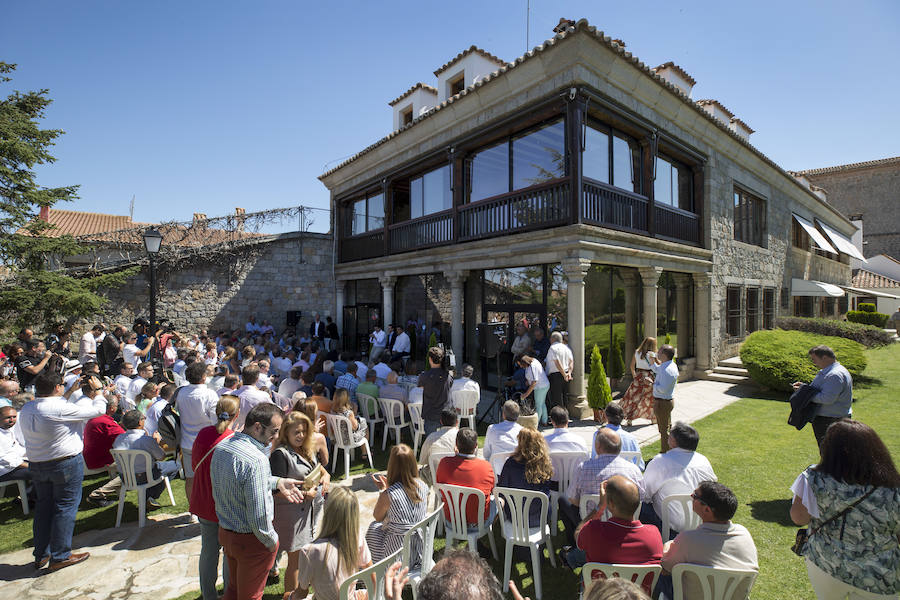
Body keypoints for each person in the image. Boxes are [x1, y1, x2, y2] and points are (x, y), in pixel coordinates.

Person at [789, 419, 900, 599]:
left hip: (825, 563)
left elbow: (798, 518)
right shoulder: (893, 488)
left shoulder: (812, 477)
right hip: (878, 574)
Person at [211, 403, 305, 600]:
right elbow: (259, 514)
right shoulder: (256, 460)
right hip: (251, 540)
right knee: (251, 596)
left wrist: (278, 482)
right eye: (274, 431)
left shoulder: (222, 447)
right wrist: (271, 541)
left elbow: (239, 481)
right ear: (257, 427)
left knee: (233, 590)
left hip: (226, 532)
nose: (276, 437)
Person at [20, 371, 105, 571]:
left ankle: (42, 554)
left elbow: (56, 405)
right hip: (63, 463)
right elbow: (98, 410)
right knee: (65, 507)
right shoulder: (59, 408)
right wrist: (99, 391)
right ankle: (60, 555)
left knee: (44, 508)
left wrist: (69, 392)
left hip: (37, 463)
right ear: (58, 387)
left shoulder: (28, 407)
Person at [655, 481, 758, 600]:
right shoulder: (744, 534)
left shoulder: (688, 540)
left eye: (695, 496)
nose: (691, 496)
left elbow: (664, 569)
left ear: (707, 510)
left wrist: (667, 546)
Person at [271, 412, 331, 598]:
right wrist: (305, 494)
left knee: (303, 559)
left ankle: (298, 593)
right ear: (286, 433)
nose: (301, 435)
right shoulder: (280, 455)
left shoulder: (305, 448)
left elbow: (318, 468)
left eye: (304, 431)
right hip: (291, 518)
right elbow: (275, 490)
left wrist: (326, 476)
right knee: (295, 561)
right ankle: (291, 596)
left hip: (307, 515)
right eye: (296, 432)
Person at [560, 428, 645, 546]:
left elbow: (573, 499)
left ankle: (574, 543)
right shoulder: (633, 470)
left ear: (598, 446)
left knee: (563, 499)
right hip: (624, 523)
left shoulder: (583, 468)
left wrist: (592, 505)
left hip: (591, 523)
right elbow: (641, 499)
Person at [564, 475, 663, 577]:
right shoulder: (654, 534)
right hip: (637, 587)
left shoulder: (593, 530)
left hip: (599, 587)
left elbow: (578, 535)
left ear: (611, 504)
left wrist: (600, 506)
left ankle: (568, 558)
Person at [190, 395, 238, 600]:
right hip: (227, 504)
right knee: (229, 552)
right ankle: (229, 592)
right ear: (236, 415)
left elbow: (194, 465)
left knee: (208, 551)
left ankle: (208, 595)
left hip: (204, 501)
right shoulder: (235, 439)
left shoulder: (203, 434)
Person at [294, 486, 373, 600]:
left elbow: (301, 593)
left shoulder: (309, 551)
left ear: (329, 511)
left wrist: (289, 596)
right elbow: (372, 575)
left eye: (326, 497)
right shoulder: (357, 537)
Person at [640, 422, 716, 539]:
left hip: (668, 527)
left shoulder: (660, 462)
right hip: (700, 524)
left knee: (636, 503)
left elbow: (644, 494)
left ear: (674, 442)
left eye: (670, 435)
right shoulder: (704, 461)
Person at [366, 444, 429, 562]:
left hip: (397, 555)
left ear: (392, 466)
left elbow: (378, 517)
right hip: (420, 549)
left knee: (373, 528)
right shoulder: (424, 486)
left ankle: (374, 568)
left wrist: (383, 490)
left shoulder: (389, 495)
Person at [791, 345, 853, 447]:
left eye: (814, 359)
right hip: (831, 418)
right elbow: (820, 390)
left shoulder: (834, 375)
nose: (813, 362)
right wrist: (803, 388)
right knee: (832, 450)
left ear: (824, 357)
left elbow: (827, 398)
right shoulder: (830, 371)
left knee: (831, 451)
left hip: (831, 420)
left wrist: (805, 393)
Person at [177, 361, 221, 502]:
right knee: (211, 478)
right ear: (203, 376)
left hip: (187, 442)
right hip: (206, 444)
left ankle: (193, 509)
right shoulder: (209, 394)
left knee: (190, 478)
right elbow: (215, 421)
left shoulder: (181, 392)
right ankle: (210, 507)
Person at [435, 428, 495, 525]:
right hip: (479, 523)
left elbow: (440, 487)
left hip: (452, 520)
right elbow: (491, 490)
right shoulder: (486, 467)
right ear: (476, 446)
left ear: (456, 444)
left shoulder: (444, 463)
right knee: (498, 501)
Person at [112, 410, 169, 509]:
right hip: (147, 477)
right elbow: (162, 457)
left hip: (125, 478)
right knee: (175, 466)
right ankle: (149, 496)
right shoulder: (146, 440)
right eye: (143, 418)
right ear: (139, 422)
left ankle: (148, 497)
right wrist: (157, 442)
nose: (145, 420)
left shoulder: (118, 439)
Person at [497, 428, 553, 526]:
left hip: (515, 516)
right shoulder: (544, 464)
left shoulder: (510, 463)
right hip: (540, 517)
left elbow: (502, 489)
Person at [83, 390, 125, 506]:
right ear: (112, 408)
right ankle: (98, 494)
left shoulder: (96, 418)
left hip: (92, 457)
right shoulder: (105, 421)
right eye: (117, 406)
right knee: (136, 465)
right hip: (101, 460)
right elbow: (125, 437)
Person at [620, 337, 658, 427]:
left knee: (634, 398)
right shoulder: (652, 354)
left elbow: (632, 366)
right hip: (649, 377)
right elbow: (657, 366)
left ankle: (629, 419)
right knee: (649, 398)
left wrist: (635, 376)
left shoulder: (637, 352)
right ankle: (653, 418)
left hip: (639, 376)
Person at [594, 403, 644, 469]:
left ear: (606, 416)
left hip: (604, 473)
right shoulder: (631, 438)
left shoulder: (598, 435)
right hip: (627, 473)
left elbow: (594, 459)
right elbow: (641, 465)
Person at [649, 344, 678, 454]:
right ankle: (670, 450)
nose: (657, 353)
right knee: (666, 427)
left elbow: (663, 389)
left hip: (662, 403)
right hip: (664, 401)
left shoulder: (668, 370)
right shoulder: (667, 365)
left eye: (659, 352)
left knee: (663, 430)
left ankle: (665, 452)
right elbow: (658, 369)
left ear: (664, 355)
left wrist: (652, 384)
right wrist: (652, 361)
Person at [419, 409, 459, 484]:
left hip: (436, 478)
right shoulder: (462, 437)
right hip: (457, 477)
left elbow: (422, 461)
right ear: (457, 422)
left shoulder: (431, 437)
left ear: (441, 421)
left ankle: (425, 491)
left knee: (420, 472)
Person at [418, 346, 451, 435]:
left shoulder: (424, 376)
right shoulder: (448, 375)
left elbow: (421, 387)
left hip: (431, 414)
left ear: (430, 359)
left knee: (431, 440)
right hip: (444, 414)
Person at [0, 406, 32, 496]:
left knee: (45, 466)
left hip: (12, 466)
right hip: (4, 471)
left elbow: (17, 449)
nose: (12, 420)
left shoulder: (8, 430)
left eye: (14, 417)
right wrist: (28, 465)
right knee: (41, 473)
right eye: (8, 417)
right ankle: (31, 498)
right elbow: (4, 460)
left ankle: (30, 495)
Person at [235, 364, 274, 431]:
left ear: (242, 377)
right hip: (252, 434)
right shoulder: (263, 396)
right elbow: (273, 413)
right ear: (257, 379)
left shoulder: (230, 394)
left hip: (233, 433)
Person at [517, 354, 551, 427]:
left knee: (538, 405)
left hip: (540, 387)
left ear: (524, 362)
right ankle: (544, 421)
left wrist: (526, 394)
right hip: (544, 385)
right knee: (542, 404)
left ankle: (535, 424)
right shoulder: (532, 361)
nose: (520, 366)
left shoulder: (532, 366)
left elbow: (534, 382)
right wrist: (528, 381)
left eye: (521, 364)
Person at [296, 398, 329, 466]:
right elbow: (325, 462)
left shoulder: (289, 435)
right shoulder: (319, 438)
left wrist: (313, 430)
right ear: (314, 415)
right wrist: (315, 432)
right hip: (312, 470)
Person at [545, 331, 573, 410]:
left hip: (556, 376)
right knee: (565, 396)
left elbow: (557, 362)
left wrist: (564, 374)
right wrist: (569, 373)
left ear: (553, 339)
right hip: (566, 374)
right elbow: (571, 361)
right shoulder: (566, 348)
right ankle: (565, 414)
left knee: (557, 398)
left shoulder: (552, 348)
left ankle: (560, 416)